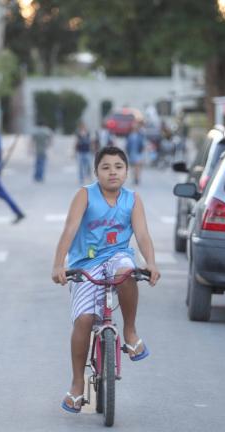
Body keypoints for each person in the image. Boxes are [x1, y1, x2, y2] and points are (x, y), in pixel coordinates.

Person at [51, 146, 161, 413]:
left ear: (126, 171)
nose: (113, 172)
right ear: (96, 172)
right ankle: (78, 384)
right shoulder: (84, 196)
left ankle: (131, 332)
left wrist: (151, 262)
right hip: (85, 263)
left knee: (127, 272)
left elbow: (143, 235)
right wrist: (58, 264)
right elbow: (69, 229)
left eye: (118, 167)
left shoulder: (132, 199)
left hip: (117, 255)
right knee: (84, 320)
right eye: (106, 167)